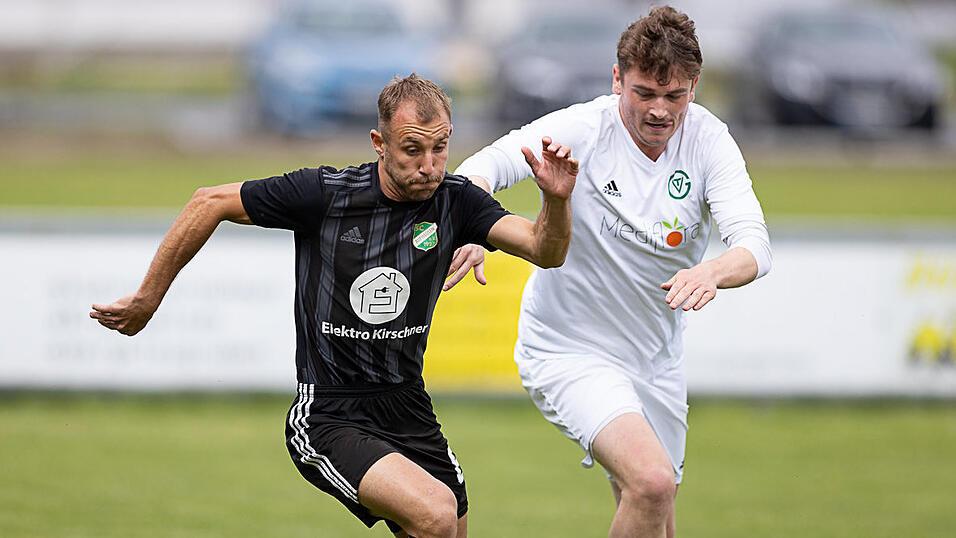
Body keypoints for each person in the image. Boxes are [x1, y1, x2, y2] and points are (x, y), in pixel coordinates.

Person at [89, 74, 578, 538]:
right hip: (329, 411)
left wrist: (556, 200)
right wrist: (147, 299)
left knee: (445, 525)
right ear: (379, 143)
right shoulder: (326, 194)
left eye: (440, 147)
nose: (429, 165)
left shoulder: (457, 201)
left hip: (408, 404)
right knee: (435, 512)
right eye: (412, 149)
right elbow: (207, 201)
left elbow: (545, 251)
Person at [449, 7, 772, 538]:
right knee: (651, 482)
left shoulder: (710, 141)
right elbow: (485, 166)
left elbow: (755, 246)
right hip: (568, 349)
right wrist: (470, 227)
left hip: (656, 361)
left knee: (655, 516)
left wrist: (713, 271)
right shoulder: (583, 127)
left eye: (675, 96)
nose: (659, 111)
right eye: (644, 93)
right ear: (617, 78)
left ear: (695, 85)